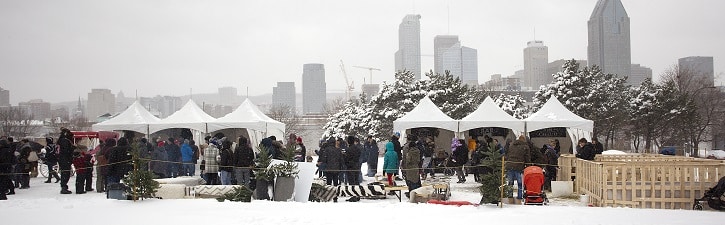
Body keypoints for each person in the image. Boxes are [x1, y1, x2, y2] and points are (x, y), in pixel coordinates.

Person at [506, 135, 531, 199]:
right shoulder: (525, 147)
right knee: (519, 183)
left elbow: (507, 155)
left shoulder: (511, 145)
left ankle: (510, 195)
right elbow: (527, 158)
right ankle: (519, 196)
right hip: (518, 166)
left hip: (510, 165)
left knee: (510, 182)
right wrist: (528, 166)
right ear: (524, 140)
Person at [57, 128, 75, 194]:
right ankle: (64, 187)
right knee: (65, 173)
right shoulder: (65, 141)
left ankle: (64, 186)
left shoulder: (61, 140)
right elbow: (66, 151)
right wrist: (72, 149)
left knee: (65, 173)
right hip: (65, 159)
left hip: (63, 159)